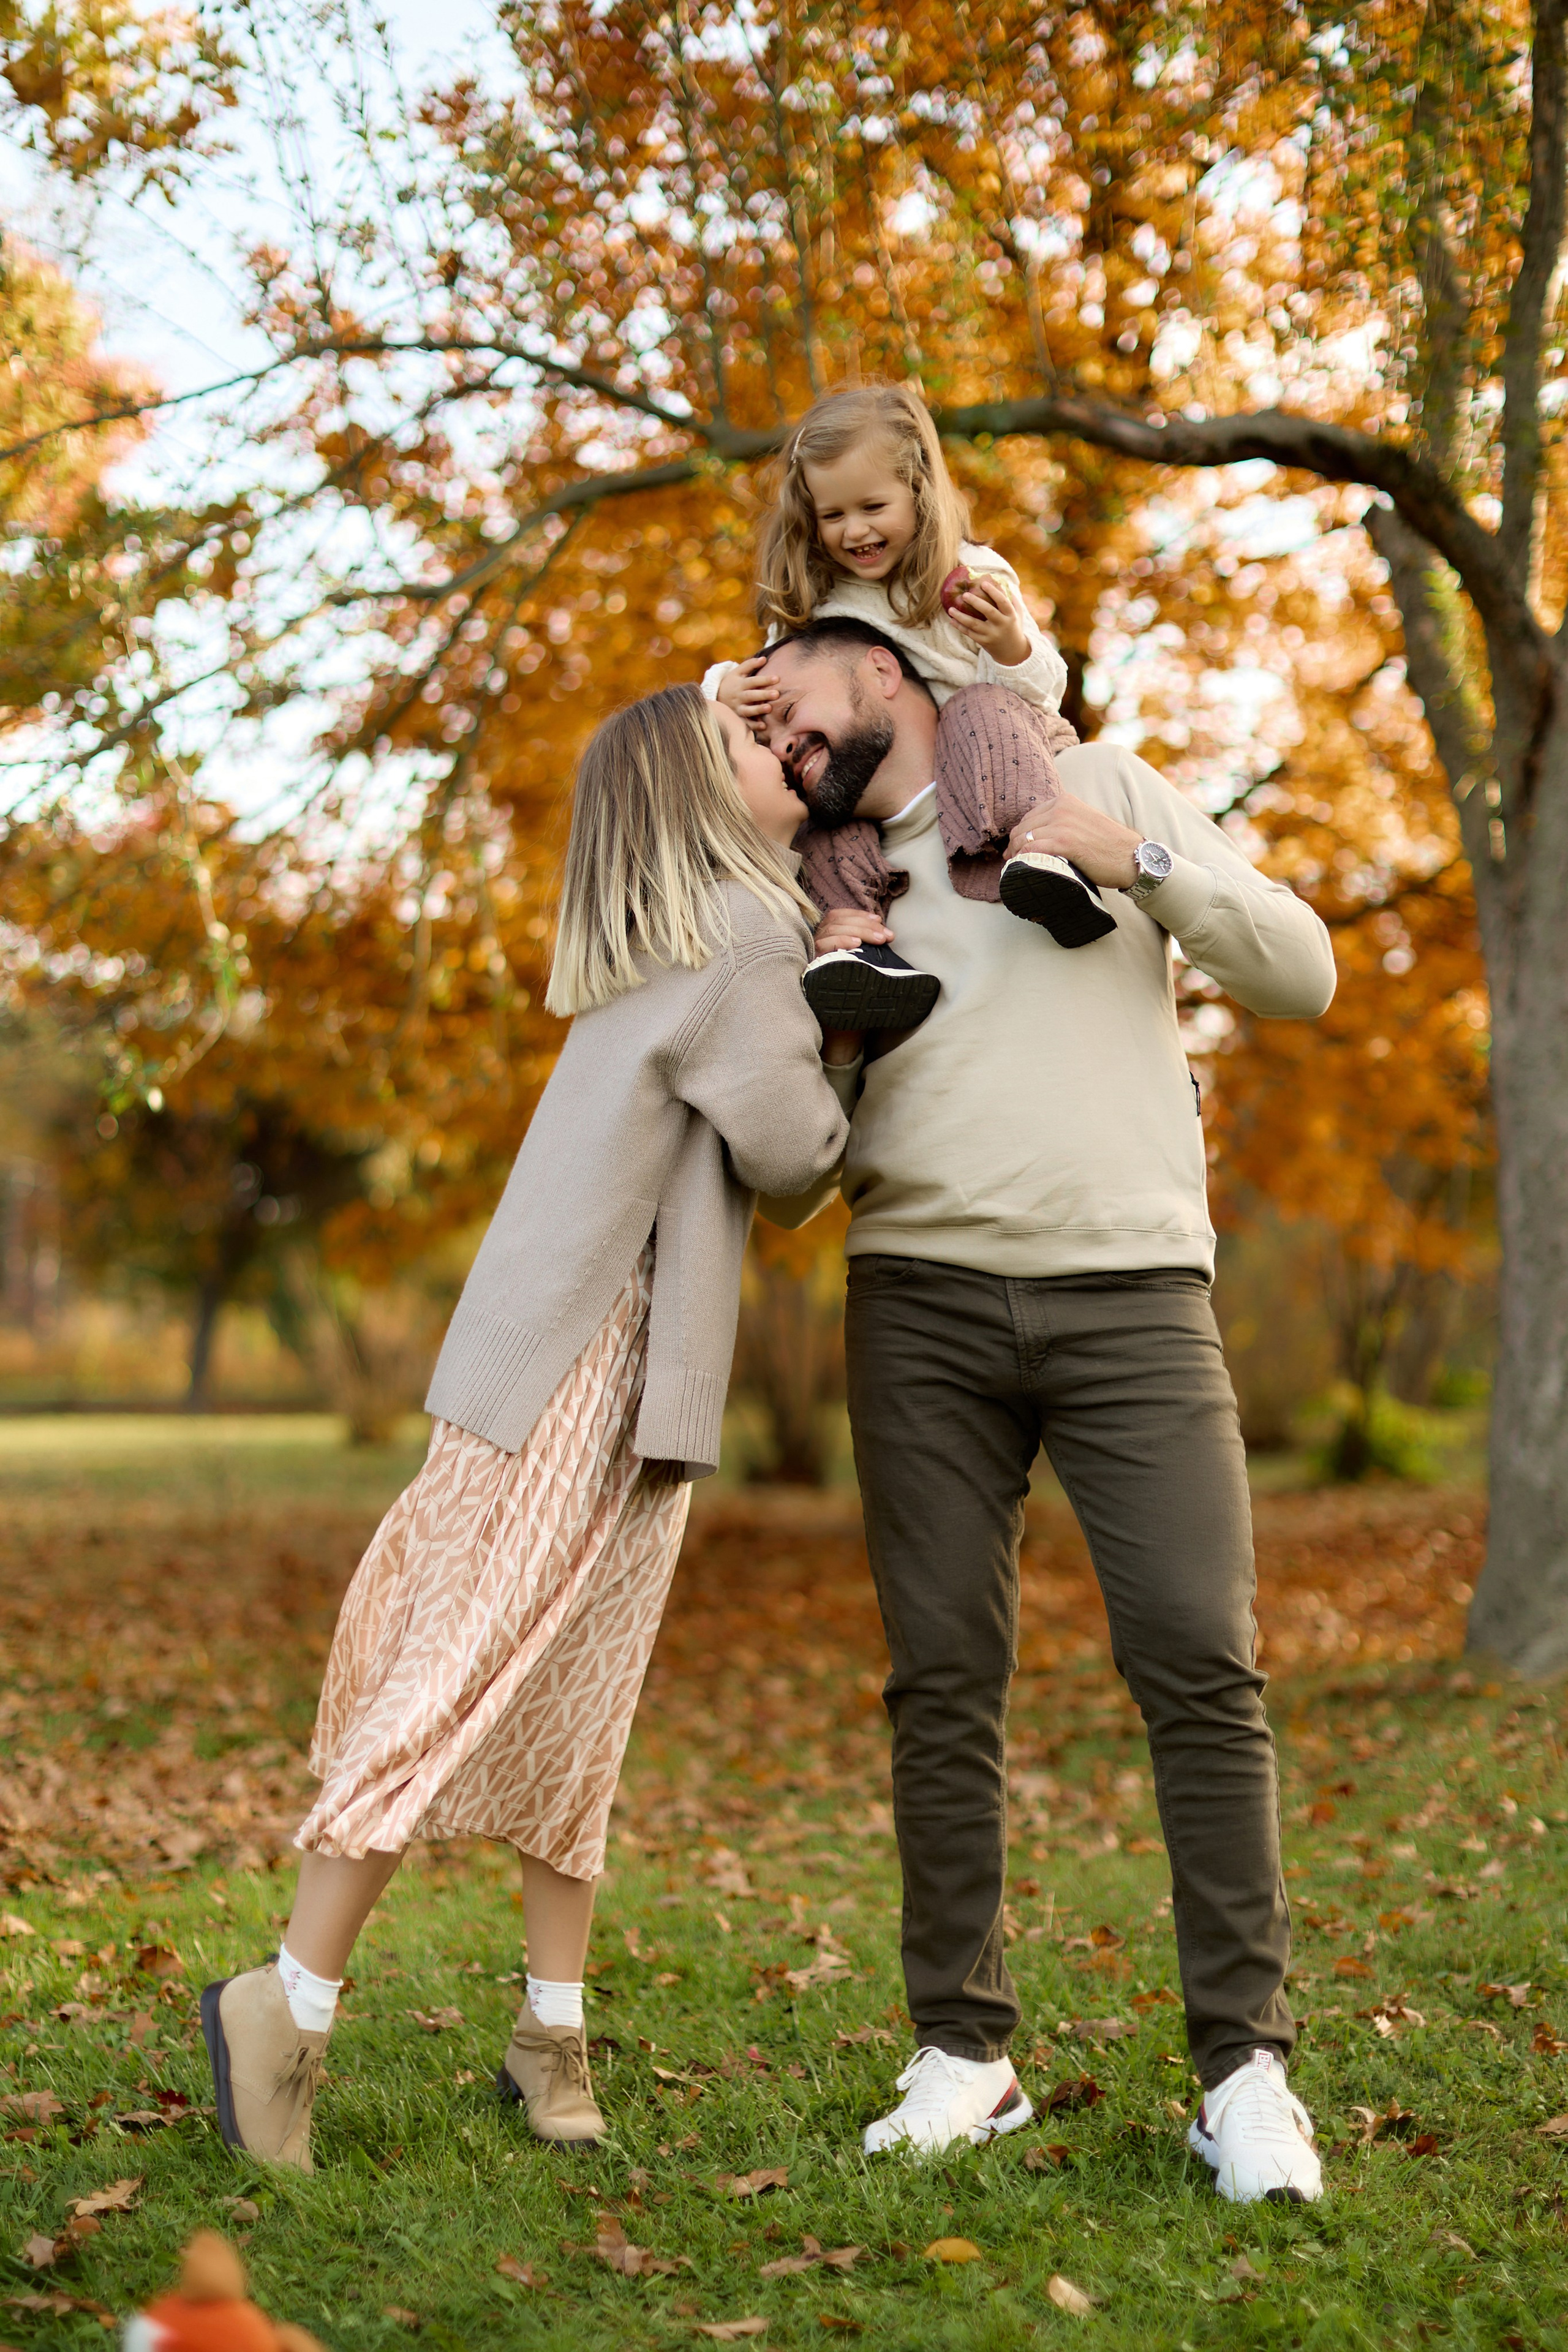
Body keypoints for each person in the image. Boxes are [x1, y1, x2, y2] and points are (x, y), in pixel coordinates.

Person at [198, 688, 851, 2173]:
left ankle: (550, 2039)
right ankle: (283, 2005)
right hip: (587, 1374)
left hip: (578, 1376)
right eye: (761, 747)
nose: (793, 763)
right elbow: (795, 1151)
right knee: (457, 1676)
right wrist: (869, 1030)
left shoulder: (654, 940)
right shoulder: (743, 939)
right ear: (696, 796)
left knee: (573, 1710)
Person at [758, 617, 1338, 2206]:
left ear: (883, 670)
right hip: (922, 1305)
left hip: (1134, 1294)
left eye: (792, 702)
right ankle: (966, 2052)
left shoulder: (1093, 780)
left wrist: (1140, 853)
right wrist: (824, 1052)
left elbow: (1301, 971)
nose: (786, 742)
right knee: (941, 1679)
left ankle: (1245, 2077)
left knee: (1203, 1666)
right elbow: (792, 1180)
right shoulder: (835, 880)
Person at [703, 382, 1113, 1034]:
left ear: (919, 492)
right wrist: (721, 688)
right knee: (826, 817)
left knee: (978, 705)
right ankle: (862, 952)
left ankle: (1045, 865)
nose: (855, 531)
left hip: (1004, 757)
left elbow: (1040, 692)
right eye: (832, 516)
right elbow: (769, 694)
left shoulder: (969, 574)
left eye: (873, 506)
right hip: (898, 792)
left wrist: (1008, 644)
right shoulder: (819, 607)